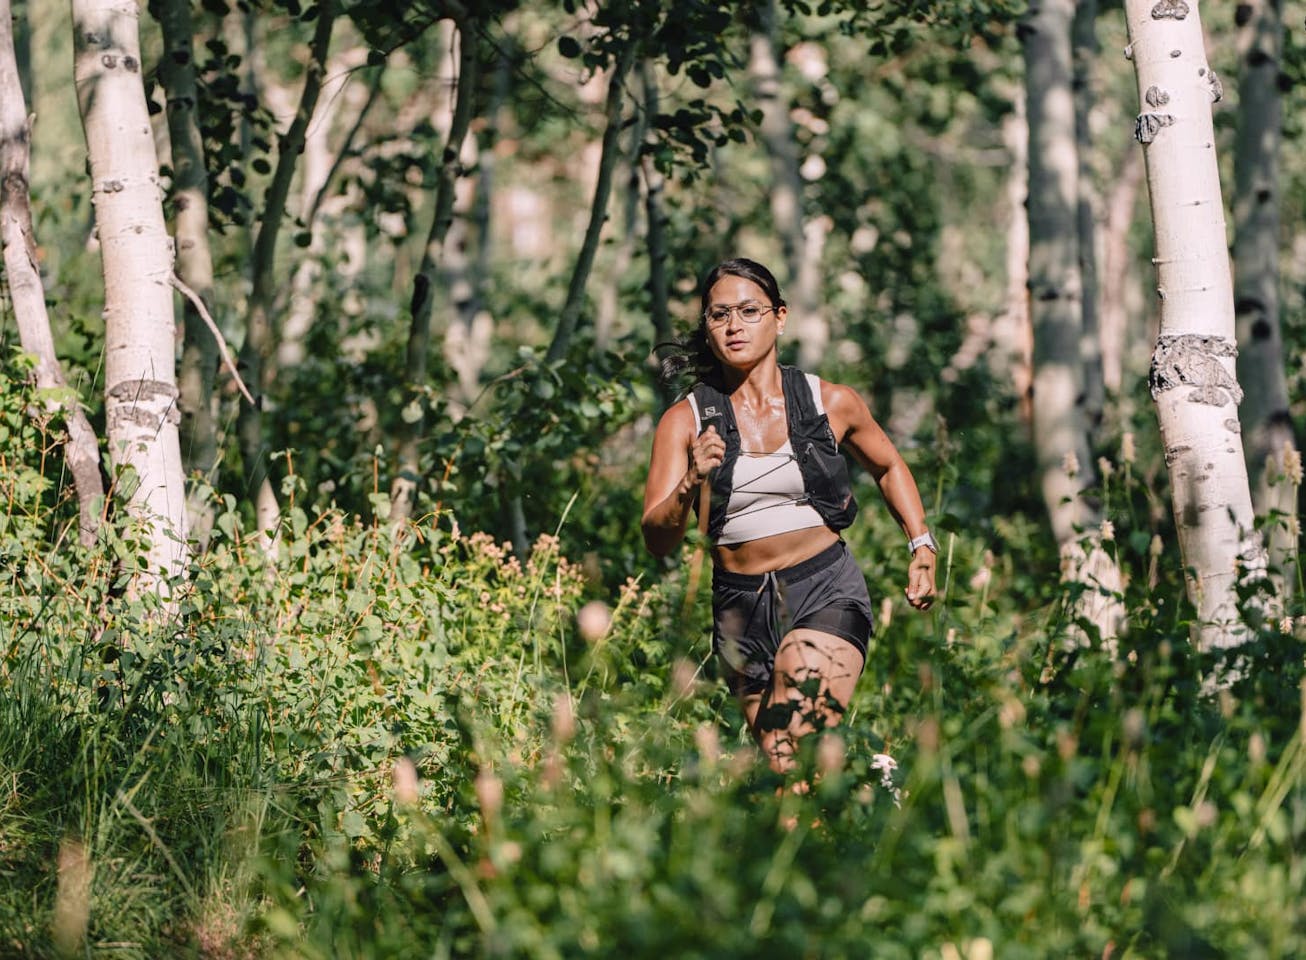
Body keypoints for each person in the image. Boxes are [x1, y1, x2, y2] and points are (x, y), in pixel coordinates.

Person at [641, 257, 937, 774]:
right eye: (719, 315)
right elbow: (657, 539)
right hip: (739, 609)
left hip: (822, 589)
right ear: (707, 330)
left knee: (792, 736)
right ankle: (867, 783)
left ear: (780, 317)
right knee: (789, 777)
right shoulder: (683, 421)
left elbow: (889, 466)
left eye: (749, 311)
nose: (734, 326)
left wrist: (922, 545)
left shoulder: (832, 402)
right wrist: (690, 480)